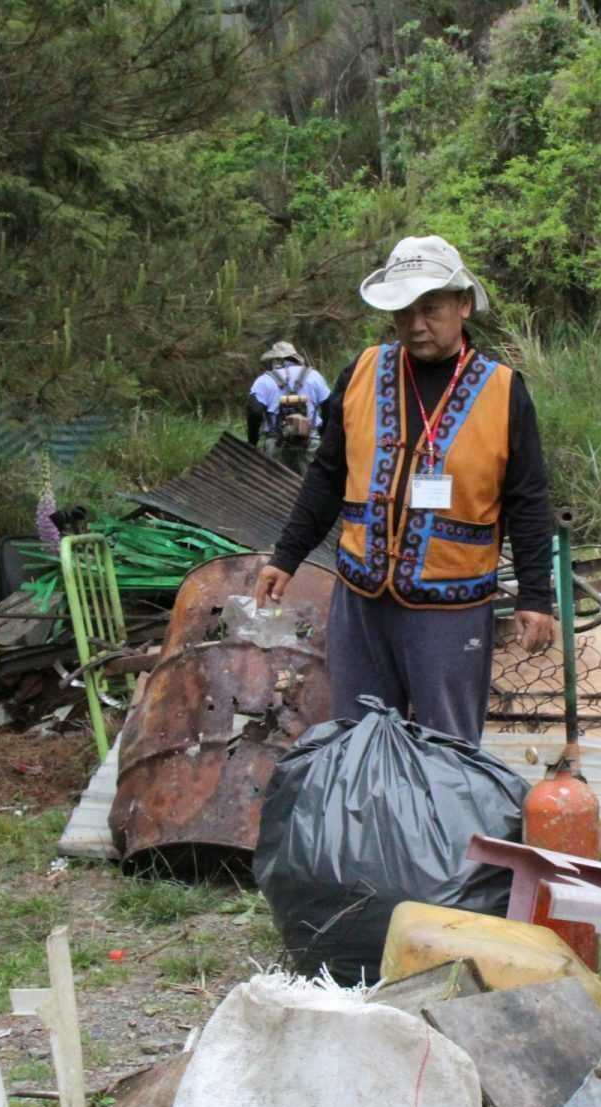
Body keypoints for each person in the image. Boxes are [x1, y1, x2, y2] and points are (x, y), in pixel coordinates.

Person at [253, 234, 556, 744]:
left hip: (451, 605)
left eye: (430, 308)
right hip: (361, 600)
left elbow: (527, 499)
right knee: (359, 739)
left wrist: (535, 596)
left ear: (463, 304)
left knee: (448, 745)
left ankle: (444, 801)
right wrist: (286, 556)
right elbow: (327, 474)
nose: (416, 324)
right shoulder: (362, 373)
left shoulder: (503, 390)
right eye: (403, 311)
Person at [245, 340, 331, 461]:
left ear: (275, 361)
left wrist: (252, 442)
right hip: (310, 442)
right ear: (295, 358)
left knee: (275, 474)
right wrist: (323, 434)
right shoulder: (314, 375)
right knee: (312, 473)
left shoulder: (264, 380)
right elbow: (330, 407)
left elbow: (254, 411)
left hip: (276, 445)